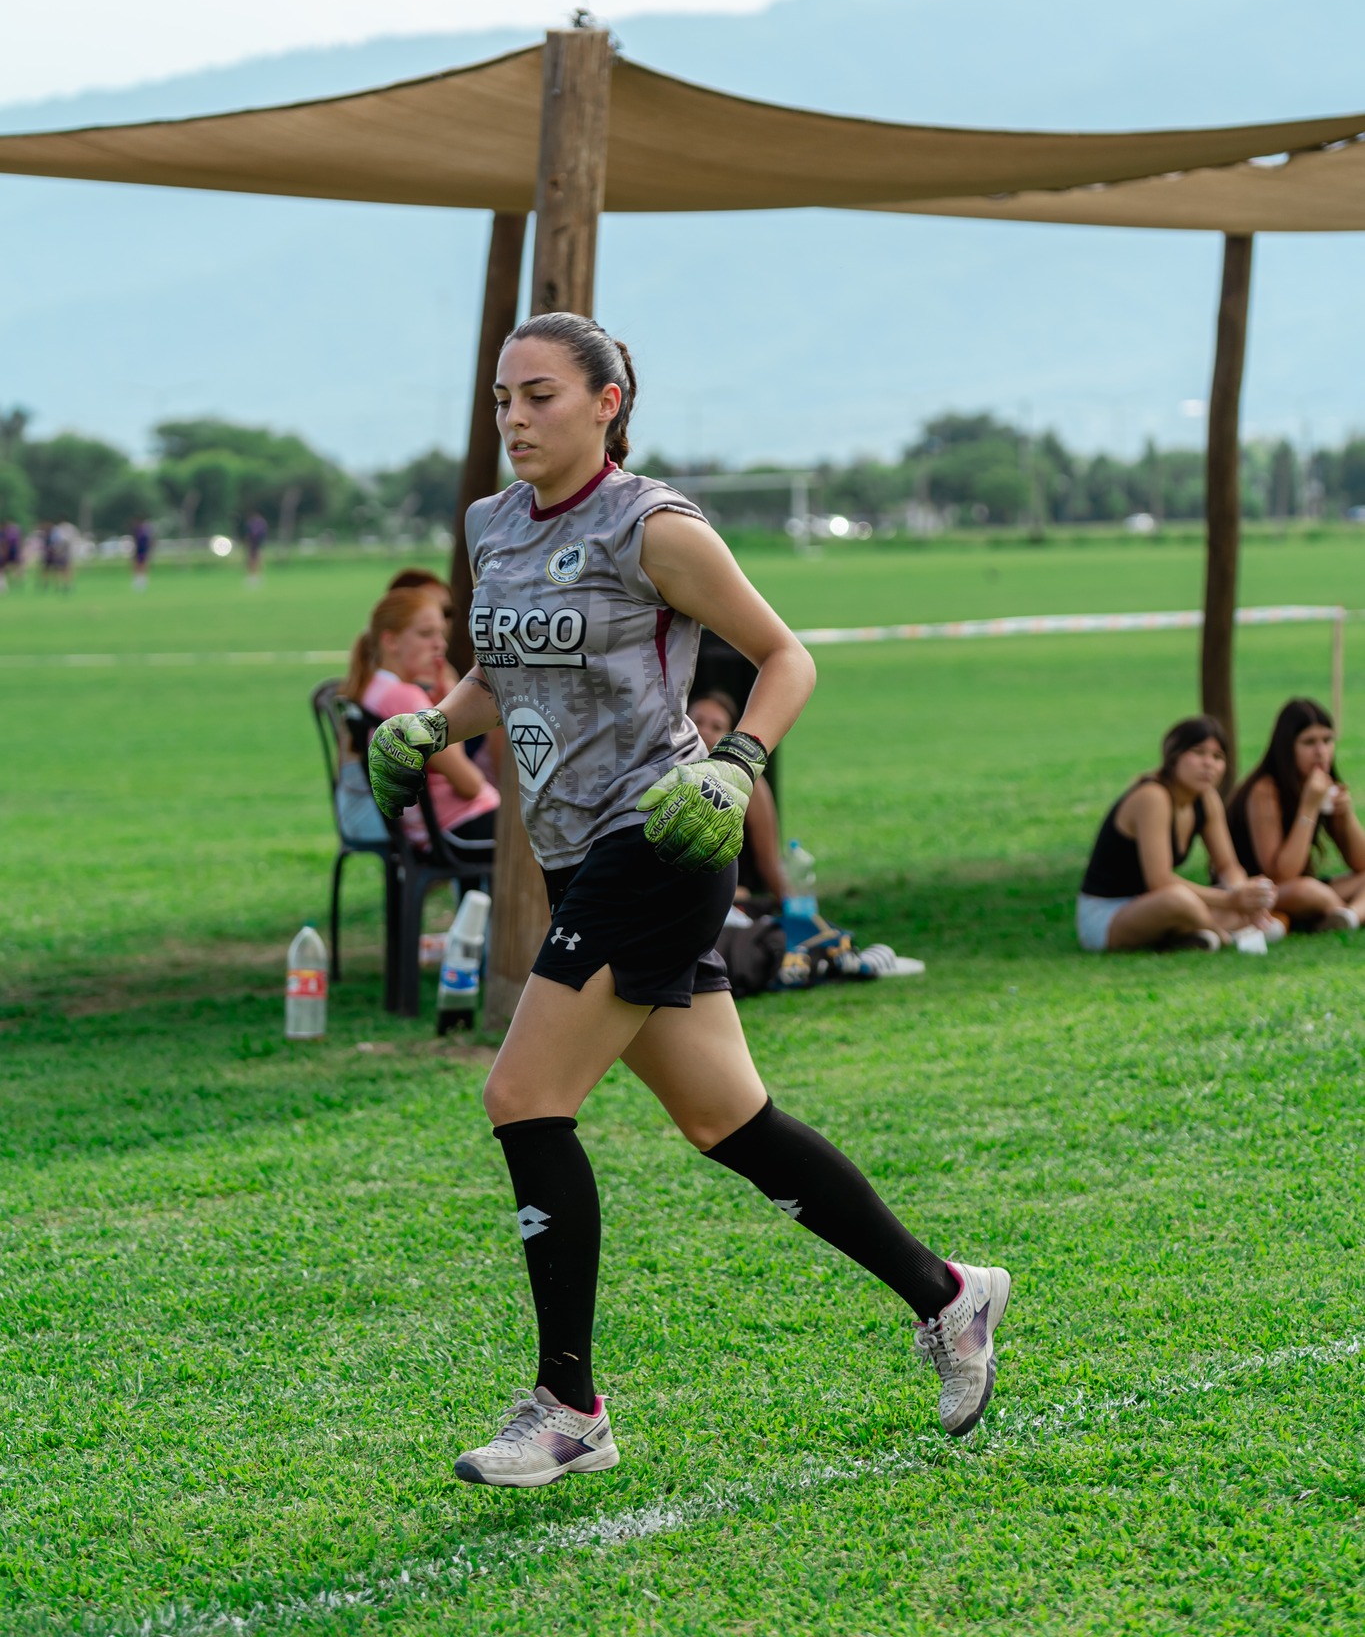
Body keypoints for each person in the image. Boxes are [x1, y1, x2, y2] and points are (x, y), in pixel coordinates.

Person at [368, 310, 1011, 1487]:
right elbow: (504, 668)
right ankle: (948, 1293)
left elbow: (786, 655)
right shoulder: (492, 524)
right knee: (727, 1119)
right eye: (504, 397)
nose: (515, 417)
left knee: (523, 1095)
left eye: (541, 394)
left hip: (661, 839)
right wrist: (432, 723)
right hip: (575, 852)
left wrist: (738, 762)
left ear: (607, 401)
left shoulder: (653, 524)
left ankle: (569, 1405)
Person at [1077, 715, 1277, 952]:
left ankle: (1195, 935)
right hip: (1109, 914)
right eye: (1198, 752)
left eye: (1217, 757)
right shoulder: (1153, 797)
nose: (1209, 764)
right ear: (1173, 757)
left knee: (1250, 896)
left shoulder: (1206, 798)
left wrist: (1243, 893)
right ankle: (1223, 934)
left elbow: (1227, 866)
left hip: (1154, 904)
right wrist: (1231, 901)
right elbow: (1159, 881)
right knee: (1178, 899)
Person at [340, 586, 499, 853]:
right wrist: (451, 707)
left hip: (430, 829)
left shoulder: (372, 689)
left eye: (441, 633)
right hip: (456, 827)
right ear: (390, 641)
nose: (440, 645)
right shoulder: (405, 698)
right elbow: (470, 785)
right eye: (426, 634)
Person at [1226, 698, 1365, 932]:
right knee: (1310, 892)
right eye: (1309, 742)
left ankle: (1349, 916)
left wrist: (1346, 814)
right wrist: (1309, 807)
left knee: (1316, 891)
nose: (1321, 752)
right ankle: (1340, 911)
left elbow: (1361, 863)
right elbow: (1281, 874)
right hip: (1262, 891)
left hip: (1303, 885)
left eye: (1327, 740)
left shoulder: (1320, 784)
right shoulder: (1265, 790)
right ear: (1287, 747)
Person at [689, 688, 789, 903]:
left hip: (732, 901)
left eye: (716, 727)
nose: (704, 731)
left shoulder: (749, 784)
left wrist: (794, 908)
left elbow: (769, 863)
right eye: (697, 722)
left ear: (728, 738)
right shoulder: (662, 774)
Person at [244, 512, 267, 585]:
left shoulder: (257, 524)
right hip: (254, 544)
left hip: (256, 544)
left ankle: (256, 575)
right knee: (254, 559)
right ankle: (254, 575)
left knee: (256, 559)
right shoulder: (259, 523)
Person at [131, 517, 153, 591]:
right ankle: (138, 580)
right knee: (137, 566)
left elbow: (147, 543)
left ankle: (142, 581)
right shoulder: (138, 532)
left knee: (143, 566)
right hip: (139, 551)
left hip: (143, 551)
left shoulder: (144, 532)